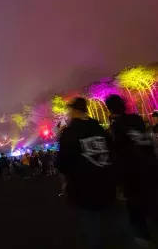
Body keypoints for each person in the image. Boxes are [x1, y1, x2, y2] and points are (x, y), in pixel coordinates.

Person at [57, 97, 130, 249]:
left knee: (91, 225)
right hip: (106, 181)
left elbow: (62, 161)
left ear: (75, 110)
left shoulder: (70, 132)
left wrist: (66, 182)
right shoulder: (98, 128)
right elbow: (112, 150)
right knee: (116, 218)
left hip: (84, 185)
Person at [105, 94, 158, 247]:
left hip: (133, 173)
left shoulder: (117, 127)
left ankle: (144, 239)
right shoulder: (137, 120)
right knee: (153, 203)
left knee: (136, 209)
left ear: (110, 109)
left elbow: (117, 153)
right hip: (151, 168)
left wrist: (118, 181)